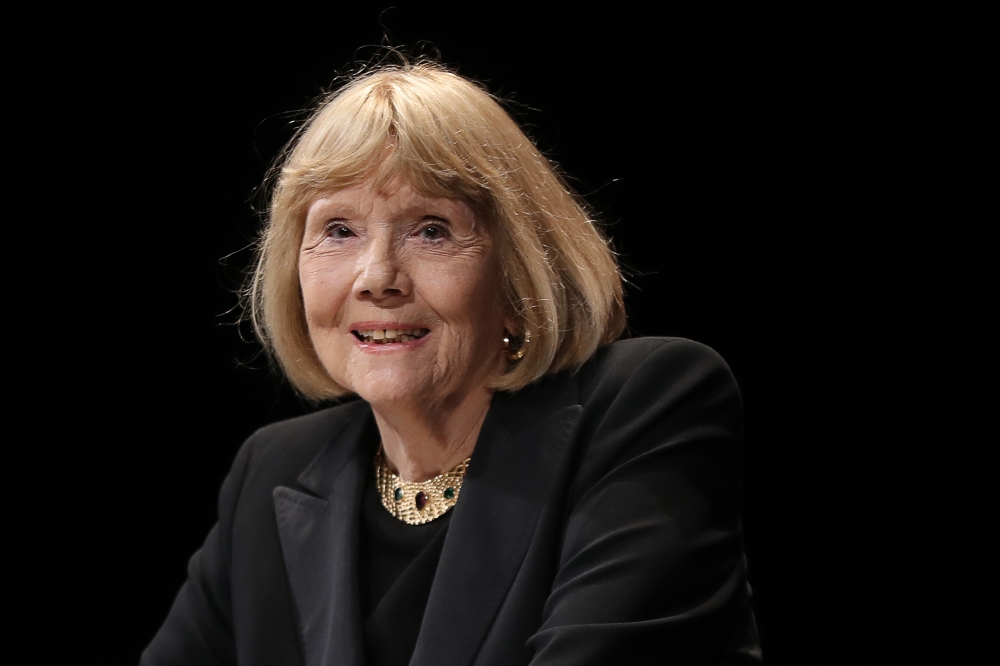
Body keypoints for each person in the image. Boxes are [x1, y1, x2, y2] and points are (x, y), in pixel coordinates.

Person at [141, 61, 762, 665]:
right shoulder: (271, 470)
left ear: (519, 277)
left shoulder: (644, 408)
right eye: (338, 230)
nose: (377, 276)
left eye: (431, 230)